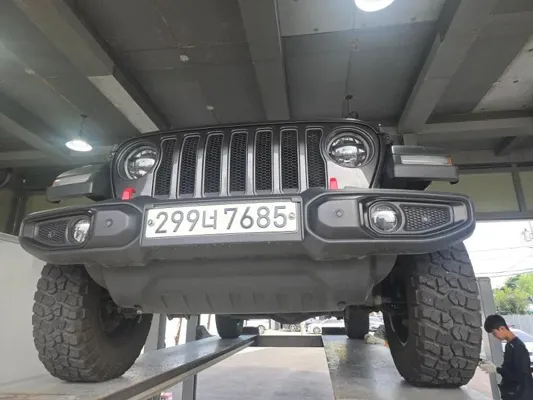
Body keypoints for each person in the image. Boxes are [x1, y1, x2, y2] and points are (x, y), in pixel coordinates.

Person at [481, 314, 533, 399]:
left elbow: (519, 374)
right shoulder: (509, 345)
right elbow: (509, 368)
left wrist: (496, 369)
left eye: (494, 333)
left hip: (520, 394)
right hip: (513, 392)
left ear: (502, 328)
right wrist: (493, 366)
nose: (494, 336)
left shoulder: (518, 347)